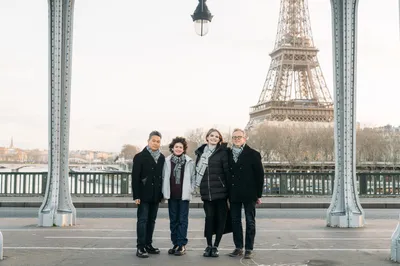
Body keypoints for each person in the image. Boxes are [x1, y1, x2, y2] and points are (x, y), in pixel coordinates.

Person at [227, 128, 264, 259]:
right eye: (234, 137)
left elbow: (260, 176)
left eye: (239, 137)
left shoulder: (254, 154)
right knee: (235, 221)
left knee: (250, 221)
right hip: (234, 193)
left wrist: (258, 195)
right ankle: (238, 247)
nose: (237, 139)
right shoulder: (228, 154)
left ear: (245, 138)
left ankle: (249, 248)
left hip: (250, 193)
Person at [194, 128, 230, 258]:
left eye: (217, 136)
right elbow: (197, 172)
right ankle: (208, 245)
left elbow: (227, 173)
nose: (214, 138)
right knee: (209, 219)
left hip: (221, 192)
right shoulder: (200, 153)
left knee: (221, 220)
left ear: (219, 139)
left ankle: (215, 246)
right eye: (212, 136)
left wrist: (229, 191)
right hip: (206, 192)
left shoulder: (223, 153)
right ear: (207, 138)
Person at [132, 131, 165, 258]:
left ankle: (148, 244)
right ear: (148, 141)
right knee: (142, 220)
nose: (156, 143)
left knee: (152, 221)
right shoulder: (139, 156)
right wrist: (136, 196)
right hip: (143, 194)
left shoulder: (161, 158)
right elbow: (135, 177)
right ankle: (140, 247)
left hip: (156, 195)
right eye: (154, 141)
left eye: (158, 141)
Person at [162, 137, 196, 256]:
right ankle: (175, 243)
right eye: (176, 146)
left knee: (182, 220)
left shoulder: (189, 161)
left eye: (180, 147)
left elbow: (193, 177)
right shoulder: (167, 161)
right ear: (172, 148)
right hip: (172, 195)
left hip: (183, 196)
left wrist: (191, 189)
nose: (178, 149)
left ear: (184, 149)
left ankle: (182, 245)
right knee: (173, 221)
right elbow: (163, 177)